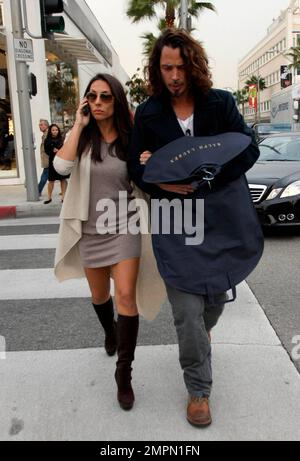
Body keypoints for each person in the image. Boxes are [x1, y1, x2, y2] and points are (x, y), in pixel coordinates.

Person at [129, 29, 260, 427]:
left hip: (219, 216)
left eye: (180, 66)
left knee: (214, 300)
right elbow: (136, 168)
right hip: (173, 218)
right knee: (186, 311)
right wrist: (156, 176)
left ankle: (200, 340)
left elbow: (248, 147)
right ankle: (199, 389)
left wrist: (208, 175)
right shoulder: (149, 113)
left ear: (193, 64)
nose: (174, 76)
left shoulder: (219, 103)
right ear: (157, 69)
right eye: (166, 67)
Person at [53, 74, 141, 411]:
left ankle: (124, 373)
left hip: (125, 228)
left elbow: (147, 176)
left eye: (106, 97)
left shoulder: (131, 139)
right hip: (90, 231)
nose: (99, 102)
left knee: (125, 296)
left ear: (116, 101)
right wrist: (78, 123)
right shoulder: (84, 139)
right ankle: (110, 331)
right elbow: (61, 167)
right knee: (99, 296)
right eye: (93, 96)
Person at [44, 124, 68, 204]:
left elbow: (66, 149)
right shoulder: (47, 140)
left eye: (56, 130)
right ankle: (49, 197)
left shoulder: (62, 139)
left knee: (63, 179)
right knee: (51, 180)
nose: (55, 131)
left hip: (61, 161)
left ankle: (63, 197)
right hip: (52, 162)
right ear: (50, 131)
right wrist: (52, 151)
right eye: (53, 130)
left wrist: (60, 151)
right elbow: (46, 151)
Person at [38, 119, 49, 196]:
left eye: (42, 124)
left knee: (44, 176)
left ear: (46, 125)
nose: (40, 126)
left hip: (49, 159)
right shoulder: (45, 134)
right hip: (48, 159)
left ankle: (38, 191)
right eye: (40, 125)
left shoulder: (47, 135)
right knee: (61, 176)